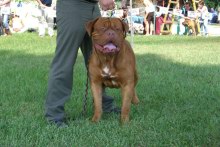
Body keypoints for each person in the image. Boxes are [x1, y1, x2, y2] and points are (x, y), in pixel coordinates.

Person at [45, 0, 124, 127]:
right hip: (73, 5)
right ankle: (54, 115)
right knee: (64, 60)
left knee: (99, 60)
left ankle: (104, 104)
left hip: (93, 6)